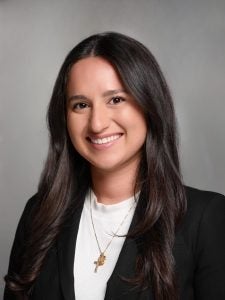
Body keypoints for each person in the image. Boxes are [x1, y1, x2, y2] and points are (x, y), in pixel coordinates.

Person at [4, 32, 225, 300]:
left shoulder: (206, 218)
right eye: (81, 105)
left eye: (116, 100)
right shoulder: (39, 214)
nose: (97, 123)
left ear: (149, 104)